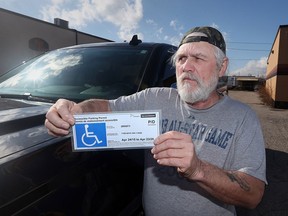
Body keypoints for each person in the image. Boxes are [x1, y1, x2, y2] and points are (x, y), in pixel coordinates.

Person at [45, 26, 266, 216]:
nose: (186, 67)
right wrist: (74, 109)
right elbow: (105, 106)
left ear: (222, 66)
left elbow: (253, 195)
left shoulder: (243, 118)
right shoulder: (154, 98)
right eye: (181, 58)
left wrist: (198, 169)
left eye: (198, 58)